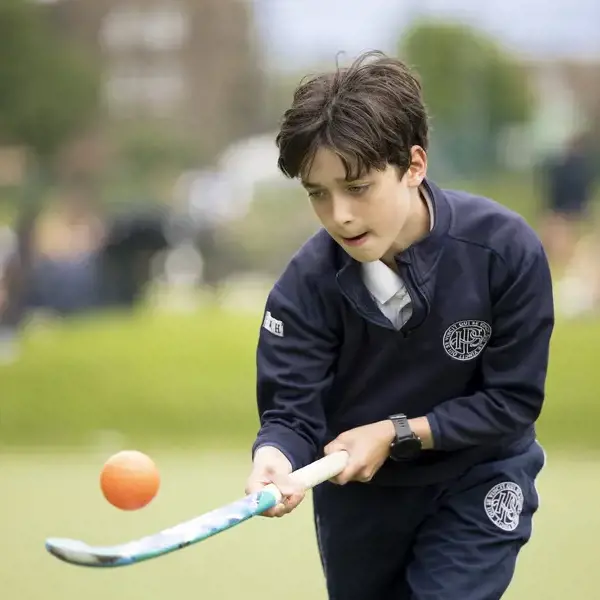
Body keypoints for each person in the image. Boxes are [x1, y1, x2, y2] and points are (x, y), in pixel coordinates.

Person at [244, 50, 554, 600]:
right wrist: (275, 459)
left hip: (479, 474)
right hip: (362, 497)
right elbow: (291, 413)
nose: (338, 214)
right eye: (318, 193)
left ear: (413, 166)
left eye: (357, 187)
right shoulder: (303, 287)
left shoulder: (503, 250)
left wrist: (395, 432)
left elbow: (511, 403)